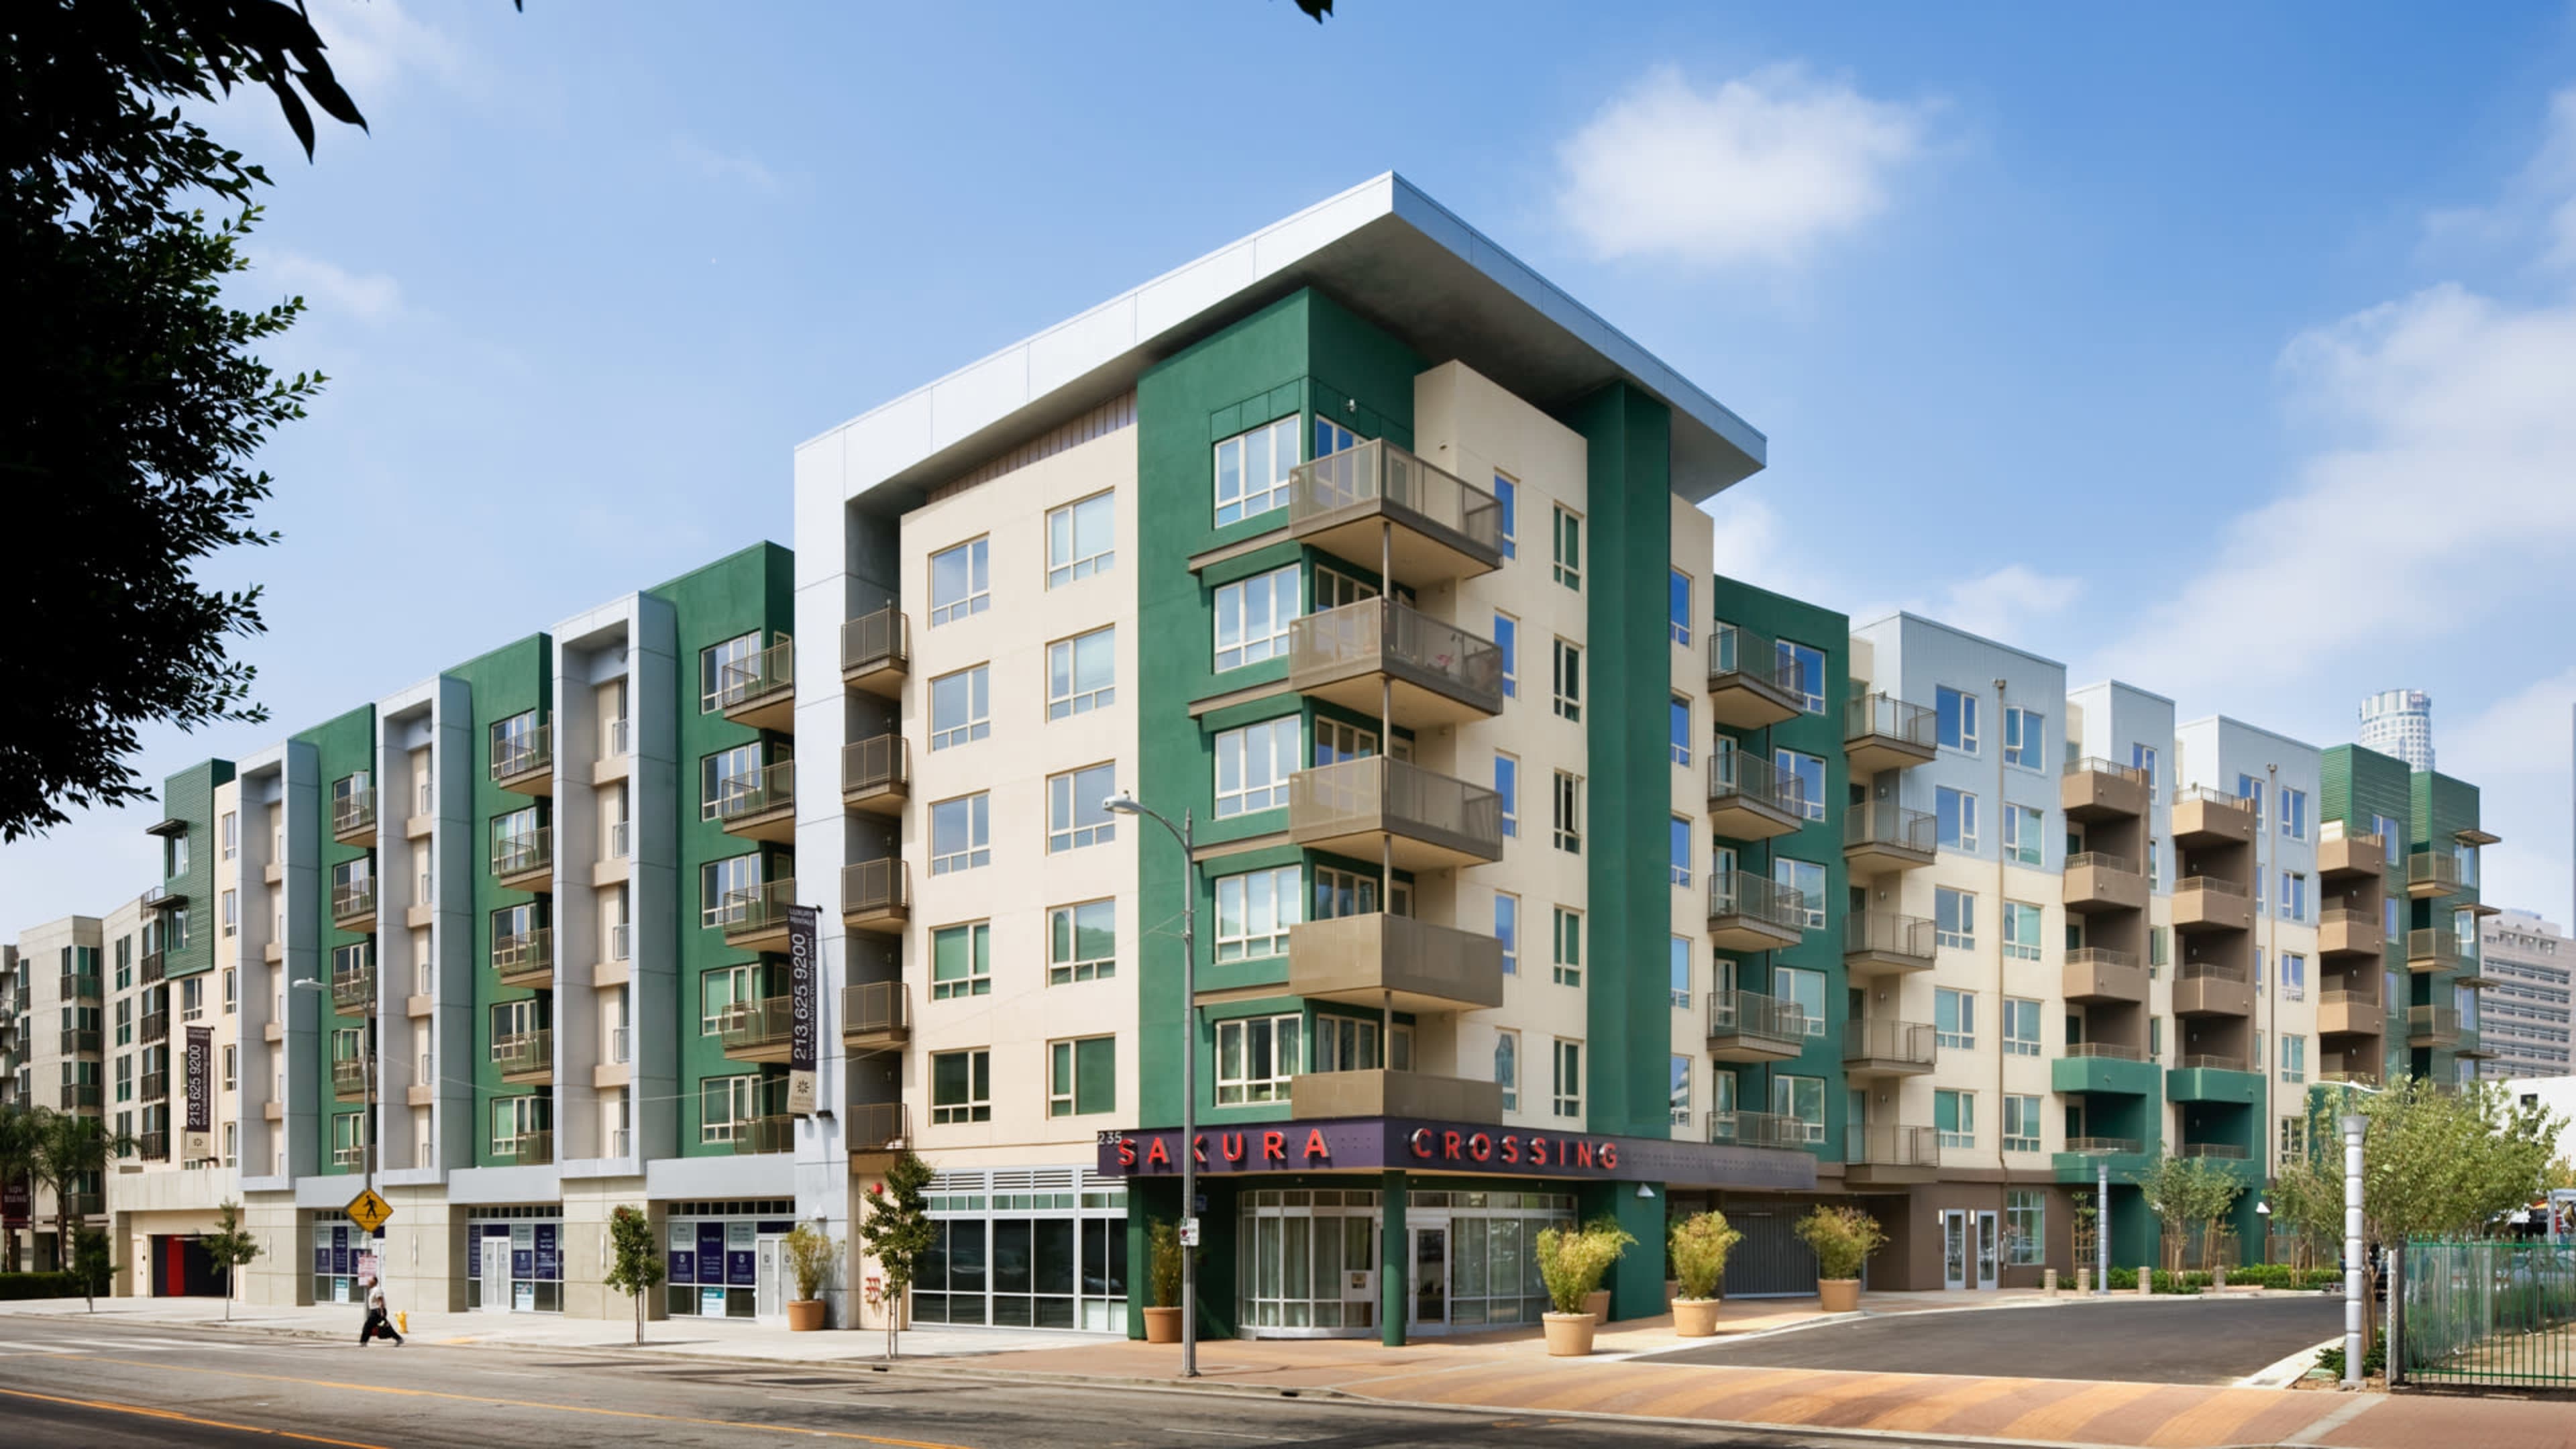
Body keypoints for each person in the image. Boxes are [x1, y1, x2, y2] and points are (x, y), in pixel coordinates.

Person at [359, 1279, 403, 1346]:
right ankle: (399, 1339)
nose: (367, 1283)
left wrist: (382, 1312)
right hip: (376, 1312)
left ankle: (363, 1342)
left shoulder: (377, 1290)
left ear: (373, 1283)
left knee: (368, 1326)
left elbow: (380, 1301)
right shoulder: (373, 1290)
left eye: (369, 1282)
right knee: (384, 1326)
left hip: (377, 1312)